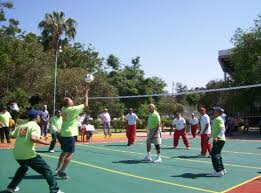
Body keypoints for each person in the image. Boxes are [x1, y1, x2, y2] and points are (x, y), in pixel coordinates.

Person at [5, 109, 64, 193]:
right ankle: (55, 190)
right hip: (28, 154)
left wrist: (13, 129)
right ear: (37, 117)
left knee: (23, 168)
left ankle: (11, 187)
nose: (40, 117)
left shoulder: (22, 126)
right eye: (40, 116)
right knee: (46, 169)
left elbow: (11, 135)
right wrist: (45, 142)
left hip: (17, 154)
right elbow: (33, 138)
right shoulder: (35, 126)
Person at [55, 85, 89, 179]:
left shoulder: (64, 108)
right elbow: (85, 105)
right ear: (69, 103)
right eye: (70, 100)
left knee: (63, 152)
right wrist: (85, 94)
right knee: (69, 153)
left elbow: (73, 102)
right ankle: (62, 171)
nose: (72, 101)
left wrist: (76, 94)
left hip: (64, 133)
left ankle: (57, 169)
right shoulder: (72, 110)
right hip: (70, 134)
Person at [207, 107, 227, 177]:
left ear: (218, 112)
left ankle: (218, 171)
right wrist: (209, 138)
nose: (213, 112)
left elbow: (223, 129)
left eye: (215, 111)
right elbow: (215, 131)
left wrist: (218, 137)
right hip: (219, 139)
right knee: (217, 155)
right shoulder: (216, 119)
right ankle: (222, 169)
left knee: (214, 155)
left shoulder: (219, 119)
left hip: (219, 140)